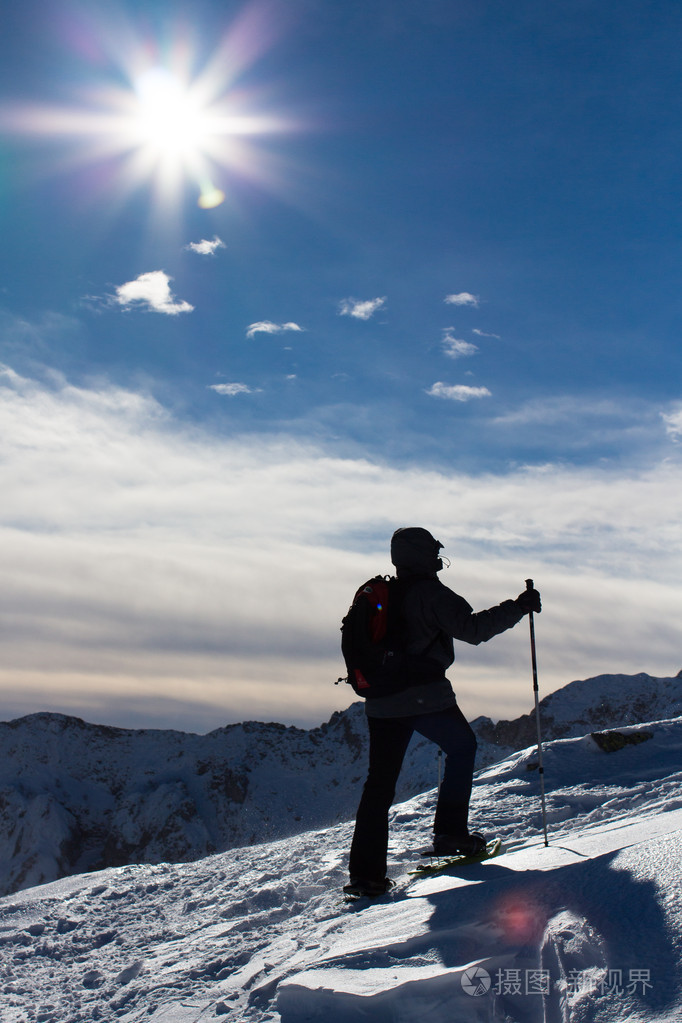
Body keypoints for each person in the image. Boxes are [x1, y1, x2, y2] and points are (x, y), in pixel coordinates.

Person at [345, 526, 541, 897]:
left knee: (379, 784)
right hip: (424, 696)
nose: (438, 557)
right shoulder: (431, 593)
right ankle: (450, 833)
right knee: (462, 747)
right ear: (424, 556)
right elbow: (474, 629)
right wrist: (519, 606)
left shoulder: (380, 593)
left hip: (381, 702)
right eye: (434, 551)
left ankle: (366, 876)